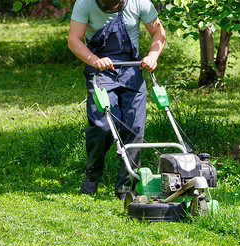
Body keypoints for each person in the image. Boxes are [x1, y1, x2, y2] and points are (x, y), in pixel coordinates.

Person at [68, 0, 166, 198]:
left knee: (134, 129)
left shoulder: (140, 3)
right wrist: (95, 60)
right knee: (103, 125)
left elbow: (158, 33)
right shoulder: (85, 3)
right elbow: (74, 40)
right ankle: (92, 175)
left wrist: (152, 56)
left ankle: (125, 186)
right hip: (101, 71)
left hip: (133, 68)